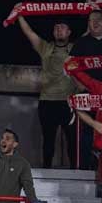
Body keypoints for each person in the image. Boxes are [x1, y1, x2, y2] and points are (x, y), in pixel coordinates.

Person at [14, 16, 79, 168]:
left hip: (69, 102)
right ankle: (47, 171)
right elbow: (29, 33)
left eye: (62, 27)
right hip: (47, 100)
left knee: (72, 140)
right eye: (56, 28)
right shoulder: (45, 47)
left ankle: (76, 172)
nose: (59, 30)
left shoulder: (77, 47)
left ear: (69, 32)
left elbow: (91, 31)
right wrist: (20, 15)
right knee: (48, 141)